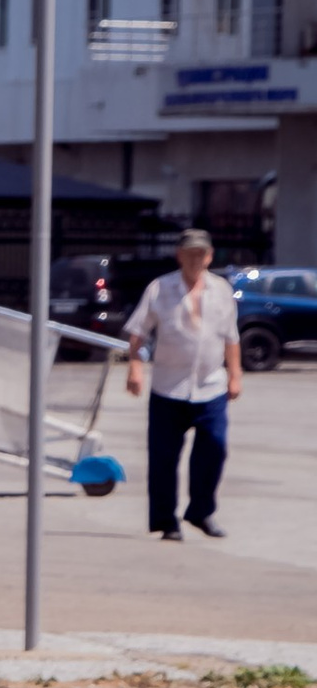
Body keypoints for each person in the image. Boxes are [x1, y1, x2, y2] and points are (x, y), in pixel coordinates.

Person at [125, 229, 241, 541]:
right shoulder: (160, 288)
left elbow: (231, 336)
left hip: (210, 386)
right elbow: (138, 333)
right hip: (168, 387)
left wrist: (235, 375)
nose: (195, 259)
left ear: (210, 256)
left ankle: (201, 512)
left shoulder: (222, 290)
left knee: (214, 447)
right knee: (164, 458)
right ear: (179, 255)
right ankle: (167, 522)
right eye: (189, 253)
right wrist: (135, 368)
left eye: (201, 254)